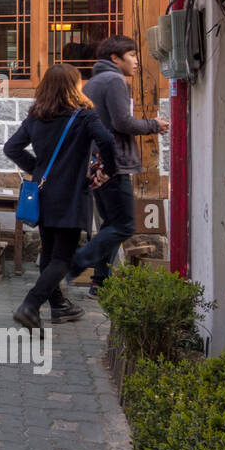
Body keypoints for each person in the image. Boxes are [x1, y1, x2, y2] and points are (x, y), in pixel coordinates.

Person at [3, 63, 118, 330]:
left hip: (44, 193)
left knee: (49, 252)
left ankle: (59, 306)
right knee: (62, 258)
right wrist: (107, 170)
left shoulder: (36, 116)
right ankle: (31, 304)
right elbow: (108, 142)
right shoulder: (84, 116)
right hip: (72, 195)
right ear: (72, 87)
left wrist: (37, 169)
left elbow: (12, 147)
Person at [70, 35, 170, 296]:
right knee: (124, 225)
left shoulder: (93, 82)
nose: (137, 61)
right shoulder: (115, 81)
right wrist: (153, 125)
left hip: (97, 162)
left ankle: (100, 282)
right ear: (116, 58)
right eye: (132, 55)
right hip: (114, 162)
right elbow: (122, 123)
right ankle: (78, 261)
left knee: (110, 223)